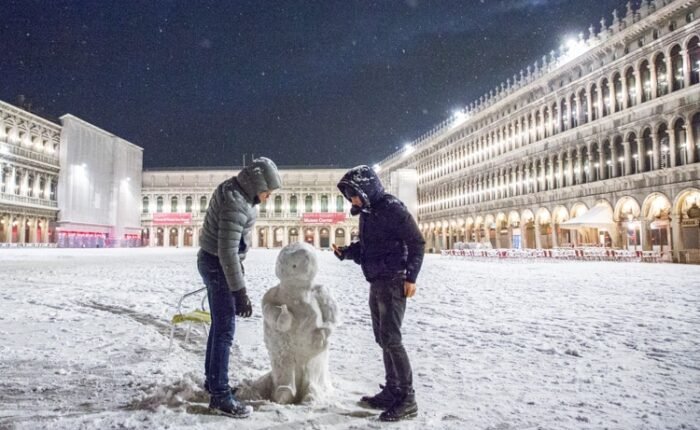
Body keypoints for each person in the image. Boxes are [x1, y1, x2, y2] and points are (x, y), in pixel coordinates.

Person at [332, 165, 425, 422]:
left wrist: (411, 276)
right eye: (350, 196)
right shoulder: (368, 212)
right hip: (377, 280)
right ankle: (393, 389)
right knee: (383, 337)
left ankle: (407, 399)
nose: (352, 200)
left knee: (392, 339)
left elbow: (416, 242)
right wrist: (347, 252)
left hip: (394, 280)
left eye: (355, 194)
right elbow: (369, 247)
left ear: (367, 188)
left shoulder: (393, 208)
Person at [197, 157, 282, 418]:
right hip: (218, 265)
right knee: (225, 330)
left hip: (213, 261)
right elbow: (227, 251)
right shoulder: (236, 202)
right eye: (268, 191)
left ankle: (214, 382)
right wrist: (240, 291)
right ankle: (220, 395)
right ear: (258, 183)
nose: (268, 197)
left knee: (219, 326)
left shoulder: (236, 191)